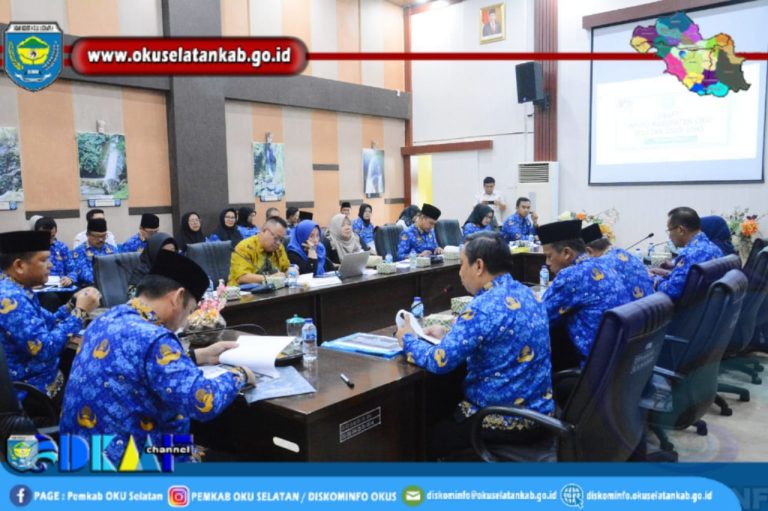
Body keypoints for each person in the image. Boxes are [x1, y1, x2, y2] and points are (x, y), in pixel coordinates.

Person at [60, 250, 256, 466]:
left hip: (83, 457)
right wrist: (240, 374)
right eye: (190, 309)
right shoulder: (155, 337)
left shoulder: (104, 319)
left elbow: (136, 366)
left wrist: (198, 356)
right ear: (178, 297)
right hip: (134, 464)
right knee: (246, 458)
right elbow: (202, 402)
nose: (185, 321)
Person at [396, 233, 553, 458]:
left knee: (424, 437)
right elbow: (499, 335)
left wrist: (408, 339)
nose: (460, 272)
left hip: (503, 421)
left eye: (462, 264)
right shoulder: (529, 294)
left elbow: (439, 361)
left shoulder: (481, 307)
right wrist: (448, 333)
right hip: (540, 414)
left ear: (478, 266)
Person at [0, 231, 100, 400]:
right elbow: (45, 349)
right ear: (19, 266)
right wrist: (80, 312)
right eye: (44, 260)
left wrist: (73, 303)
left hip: (42, 380)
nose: (51, 265)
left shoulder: (17, 289)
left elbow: (51, 321)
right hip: (33, 393)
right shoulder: (11, 298)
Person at [540, 220, 631, 368]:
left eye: (549, 256)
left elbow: (540, 316)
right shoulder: (603, 264)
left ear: (566, 253)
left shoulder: (571, 276)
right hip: (619, 361)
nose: (547, 263)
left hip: (594, 368)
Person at [651, 207, 723, 302]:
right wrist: (665, 273)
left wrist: (653, 278)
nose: (669, 236)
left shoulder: (689, 255)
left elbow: (672, 291)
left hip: (688, 309)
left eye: (669, 230)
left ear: (681, 230)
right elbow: (690, 280)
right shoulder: (715, 248)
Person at [581, 223, 654, 301]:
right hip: (650, 304)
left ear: (589, 251)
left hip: (630, 307)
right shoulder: (624, 252)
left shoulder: (599, 265)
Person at [228, 217, 290, 285]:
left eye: (281, 240)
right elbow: (242, 277)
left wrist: (291, 272)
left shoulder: (279, 248)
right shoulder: (245, 247)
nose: (278, 243)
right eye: (276, 238)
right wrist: (270, 278)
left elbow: (286, 269)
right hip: (243, 290)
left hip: (274, 290)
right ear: (264, 231)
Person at [71, 218, 119, 287]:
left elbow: (119, 269)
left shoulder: (112, 250)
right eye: (97, 236)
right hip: (89, 287)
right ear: (87, 234)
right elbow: (83, 273)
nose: (100, 239)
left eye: (103, 236)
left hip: (112, 286)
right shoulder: (79, 251)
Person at [34, 217, 76, 288]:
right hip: (40, 287)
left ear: (56, 232)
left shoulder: (61, 247)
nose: (49, 240)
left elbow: (73, 269)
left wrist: (70, 278)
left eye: (52, 236)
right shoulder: (31, 250)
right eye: (45, 237)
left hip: (61, 286)